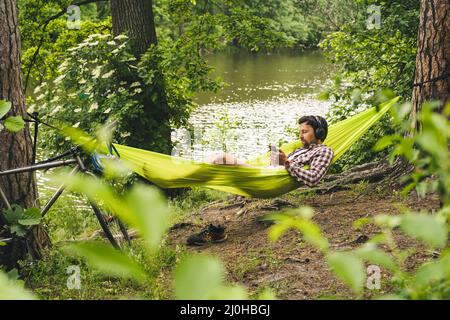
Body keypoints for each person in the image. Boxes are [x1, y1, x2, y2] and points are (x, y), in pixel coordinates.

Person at [186, 115, 334, 246]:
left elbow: (314, 178)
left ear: (319, 132)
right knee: (218, 158)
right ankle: (216, 228)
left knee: (221, 158)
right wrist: (276, 160)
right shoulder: (300, 150)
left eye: (305, 132)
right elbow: (280, 168)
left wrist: (287, 162)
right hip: (267, 176)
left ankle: (185, 176)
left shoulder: (324, 151)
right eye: (300, 132)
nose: (300, 135)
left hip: (269, 181)